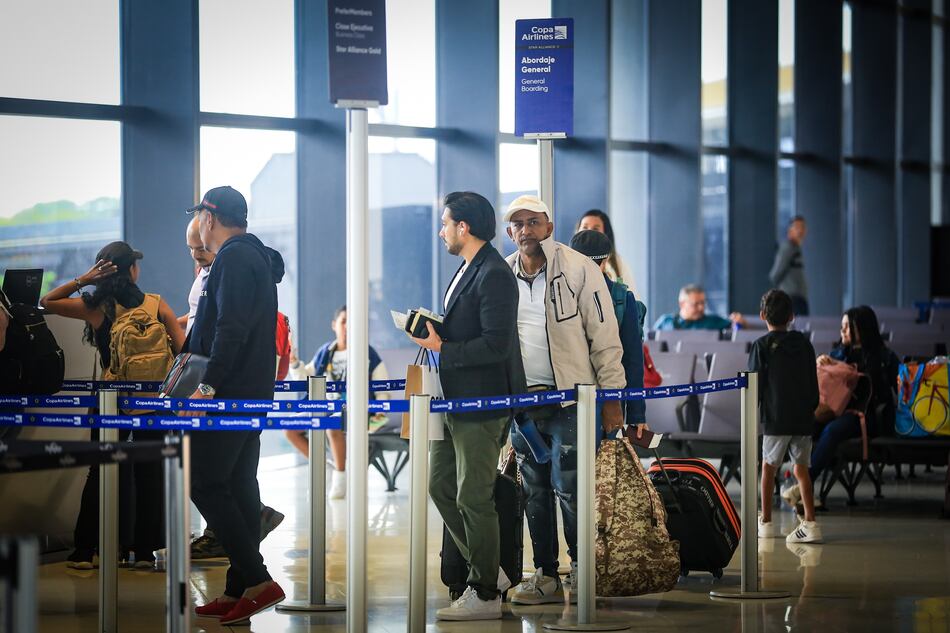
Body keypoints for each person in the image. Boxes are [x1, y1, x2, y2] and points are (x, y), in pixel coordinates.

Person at [503, 195, 626, 605]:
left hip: (573, 403)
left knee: (570, 487)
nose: (526, 230)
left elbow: (606, 340)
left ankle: (581, 569)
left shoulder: (580, 269)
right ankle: (545, 574)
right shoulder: (502, 275)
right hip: (524, 407)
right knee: (533, 491)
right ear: (509, 233)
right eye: (518, 224)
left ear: (549, 227)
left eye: (533, 222)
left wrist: (612, 400)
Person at [411, 191, 526, 621]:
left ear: (464, 227)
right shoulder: (466, 270)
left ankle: (484, 592)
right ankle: (490, 571)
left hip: (482, 401)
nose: (441, 231)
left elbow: (496, 345)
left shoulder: (494, 273)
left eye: (446, 223)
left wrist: (444, 345)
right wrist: (435, 331)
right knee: (440, 486)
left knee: (473, 495)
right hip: (451, 400)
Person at [40, 241, 184, 569]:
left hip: (111, 402)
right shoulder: (156, 304)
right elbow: (184, 351)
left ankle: (85, 550)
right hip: (153, 404)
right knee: (150, 473)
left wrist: (85, 279)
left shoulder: (97, 307)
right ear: (132, 269)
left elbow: (47, 301)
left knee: (101, 472)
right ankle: (145, 552)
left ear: (103, 270)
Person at [183, 186, 285, 624]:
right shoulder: (252, 255)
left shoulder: (234, 257)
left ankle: (259, 579)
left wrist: (206, 388)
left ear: (209, 217)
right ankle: (239, 586)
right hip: (248, 393)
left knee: (203, 480)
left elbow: (231, 328)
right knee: (240, 484)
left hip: (230, 396)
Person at [791, 306, 899, 502]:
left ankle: (802, 486)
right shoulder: (838, 354)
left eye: (848, 326)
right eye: (842, 326)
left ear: (862, 328)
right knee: (808, 425)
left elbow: (898, 391)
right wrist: (821, 362)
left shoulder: (885, 357)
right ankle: (802, 488)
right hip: (835, 412)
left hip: (867, 416)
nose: (842, 331)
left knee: (832, 431)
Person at [286, 305, 391, 499]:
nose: (348, 327)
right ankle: (323, 466)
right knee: (290, 429)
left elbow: (382, 384)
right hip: (324, 408)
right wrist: (293, 361)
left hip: (358, 412)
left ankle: (340, 478)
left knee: (332, 424)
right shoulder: (325, 352)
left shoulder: (368, 353)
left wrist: (380, 412)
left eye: (352, 322)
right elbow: (305, 381)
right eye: (344, 322)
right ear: (334, 325)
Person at [749, 289, 822, 544]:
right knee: (802, 469)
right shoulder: (805, 343)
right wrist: (811, 407)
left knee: (769, 467)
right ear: (792, 316)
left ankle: (766, 522)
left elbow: (754, 386)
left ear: (762, 316)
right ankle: (810, 523)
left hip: (776, 419)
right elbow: (814, 382)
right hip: (803, 417)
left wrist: (755, 413)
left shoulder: (761, 346)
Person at [569, 229, 647, 427]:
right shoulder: (622, 298)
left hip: (587, 398)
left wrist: (637, 416)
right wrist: (637, 416)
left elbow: (632, 359)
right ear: (606, 261)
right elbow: (633, 360)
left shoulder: (620, 298)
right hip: (596, 398)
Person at [576, 209, 637, 294]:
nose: (589, 232)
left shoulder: (618, 263)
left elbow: (632, 296)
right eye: (585, 227)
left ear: (606, 233)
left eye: (595, 228)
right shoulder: (568, 260)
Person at [653, 284, 746, 330]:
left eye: (703, 303)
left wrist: (740, 321)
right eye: (696, 304)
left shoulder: (713, 321)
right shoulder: (665, 322)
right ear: (682, 304)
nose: (701, 307)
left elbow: (738, 326)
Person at [770, 216, 809, 316]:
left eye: (803, 227)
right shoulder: (787, 248)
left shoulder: (796, 248)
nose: (800, 230)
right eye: (797, 227)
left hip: (798, 298)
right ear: (790, 230)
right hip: (792, 299)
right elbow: (775, 275)